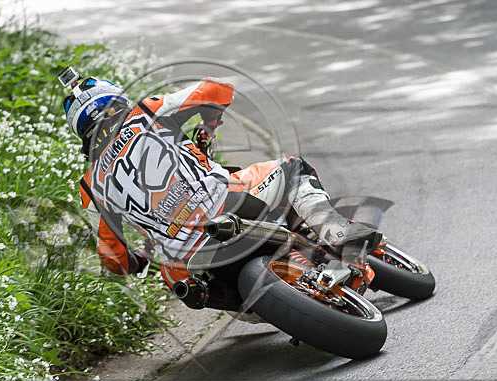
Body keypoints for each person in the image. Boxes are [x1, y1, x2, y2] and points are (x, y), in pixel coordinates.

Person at [60, 68, 381, 290]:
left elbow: (112, 257)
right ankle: (338, 234)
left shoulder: (90, 185)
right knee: (294, 169)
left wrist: (134, 261)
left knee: (179, 283)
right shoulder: (146, 112)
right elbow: (217, 89)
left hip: (184, 257)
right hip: (226, 203)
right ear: (116, 100)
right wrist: (209, 126)